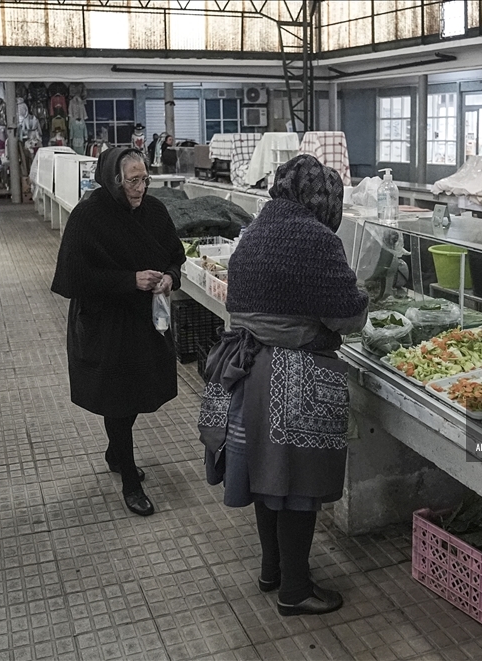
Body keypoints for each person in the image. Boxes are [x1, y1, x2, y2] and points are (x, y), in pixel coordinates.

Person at [198, 154, 368, 617]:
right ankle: (295, 589)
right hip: (294, 376)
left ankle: (271, 569)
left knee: (265, 478)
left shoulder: (254, 231)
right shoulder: (315, 239)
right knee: (298, 487)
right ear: (323, 199)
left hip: (250, 375)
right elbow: (348, 315)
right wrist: (364, 294)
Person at [50, 148, 185, 516]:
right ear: (113, 180)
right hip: (105, 323)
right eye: (133, 181)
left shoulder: (154, 211)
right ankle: (129, 478)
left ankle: (115, 451)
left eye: (145, 180)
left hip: (146, 321)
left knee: (140, 392)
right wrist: (130, 280)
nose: (141, 188)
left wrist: (170, 276)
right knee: (118, 398)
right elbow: (74, 277)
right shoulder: (88, 217)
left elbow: (176, 254)